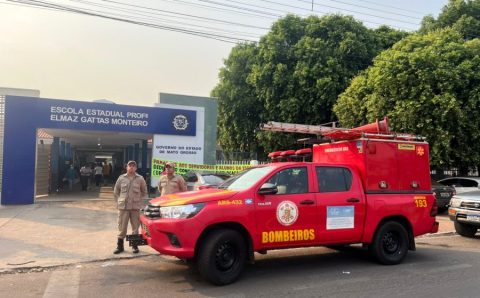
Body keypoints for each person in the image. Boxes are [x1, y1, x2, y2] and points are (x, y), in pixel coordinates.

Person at [113, 160, 148, 254]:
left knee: (135, 228)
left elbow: (144, 192)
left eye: (133, 166)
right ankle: (120, 246)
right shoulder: (121, 178)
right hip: (123, 207)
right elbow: (116, 192)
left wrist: (139, 201)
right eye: (130, 166)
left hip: (135, 208)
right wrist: (119, 202)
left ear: (136, 168)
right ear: (126, 167)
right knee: (121, 227)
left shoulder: (140, 178)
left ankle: (134, 246)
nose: (131, 167)